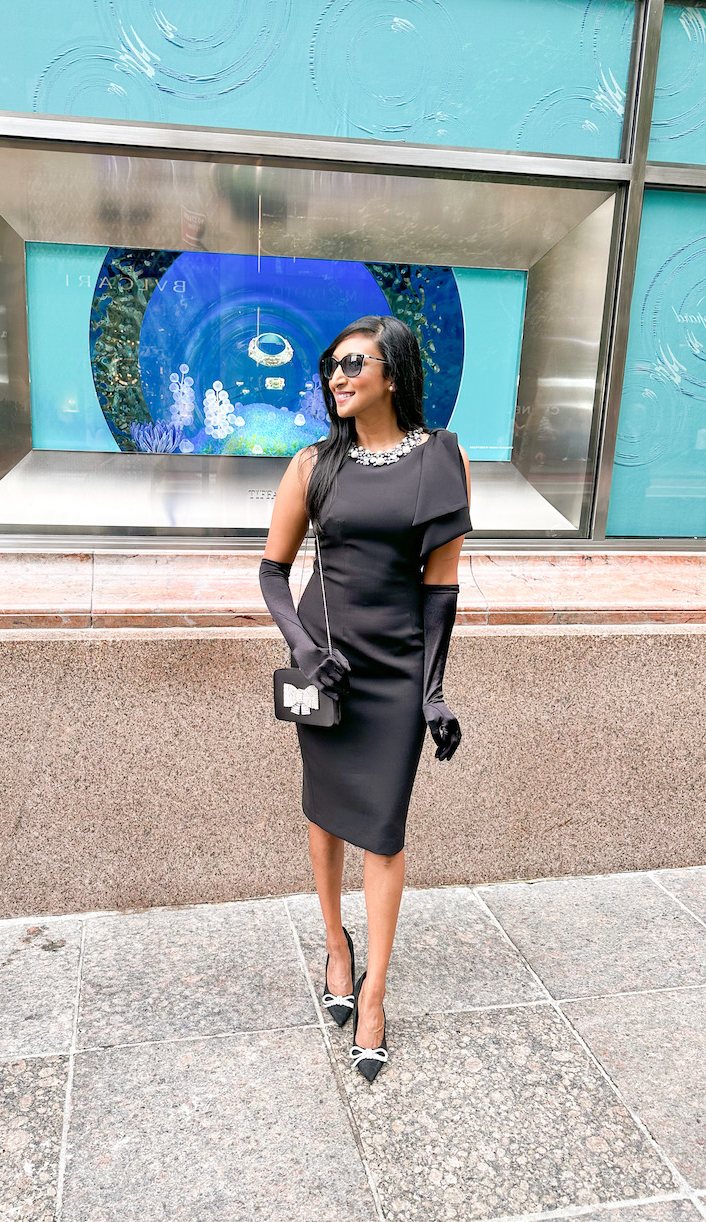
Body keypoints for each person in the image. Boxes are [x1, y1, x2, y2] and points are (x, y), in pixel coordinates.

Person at [258, 314, 472, 1082]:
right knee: (324, 811)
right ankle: (336, 944)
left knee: (383, 829)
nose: (338, 376)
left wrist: (435, 691)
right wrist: (307, 653)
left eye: (354, 363)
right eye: (330, 365)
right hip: (328, 670)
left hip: (396, 670)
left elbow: (441, 588)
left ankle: (374, 991)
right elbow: (272, 574)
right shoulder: (313, 465)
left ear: (393, 372)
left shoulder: (445, 458)